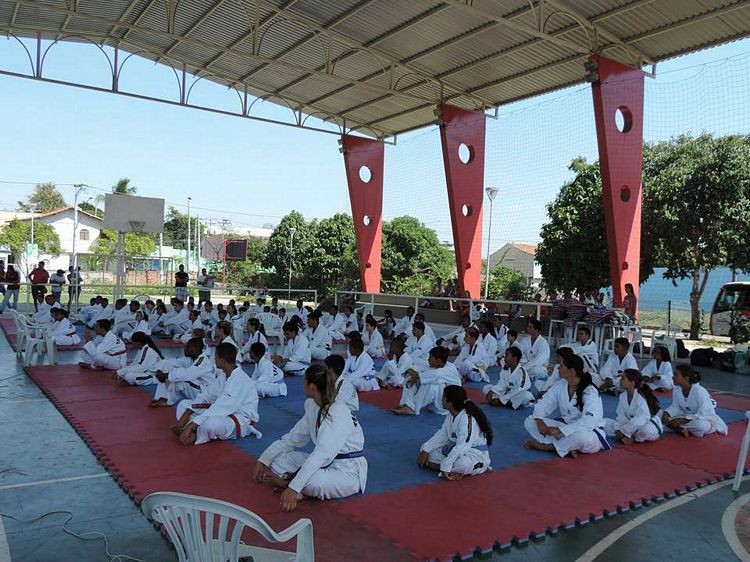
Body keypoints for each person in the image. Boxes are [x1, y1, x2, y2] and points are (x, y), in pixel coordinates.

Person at [253, 364, 367, 511]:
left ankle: (290, 484)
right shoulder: (313, 407)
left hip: (346, 471)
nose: (302, 384)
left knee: (313, 481)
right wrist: (263, 461)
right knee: (277, 459)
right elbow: (292, 439)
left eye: (304, 381)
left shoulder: (337, 412)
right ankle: (293, 482)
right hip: (323, 462)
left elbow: (322, 455)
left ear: (312, 387)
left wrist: (293, 488)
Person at [174, 342, 261, 445]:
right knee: (183, 405)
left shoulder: (239, 380)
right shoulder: (223, 376)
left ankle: (195, 434)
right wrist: (187, 412)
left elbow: (222, 407)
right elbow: (207, 395)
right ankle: (192, 429)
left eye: (216, 357)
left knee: (210, 424)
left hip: (239, 419)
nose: (214, 359)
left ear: (222, 360)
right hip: (222, 412)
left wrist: (193, 423)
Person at [523, 354, 609, 457]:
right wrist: (540, 420)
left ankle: (548, 447)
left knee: (580, 437)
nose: (558, 368)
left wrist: (560, 430)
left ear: (572, 371)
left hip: (589, 431)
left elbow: (588, 422)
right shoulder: (561, 385)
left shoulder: (590, 392)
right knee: (530, 421)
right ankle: (564, 447)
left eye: (562, 366)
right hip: (566, 426)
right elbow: (543, 403)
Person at [418, 385, 493, 480]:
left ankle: (445, 468)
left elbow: (464, 445)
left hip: (474, 454)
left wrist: (446, 465)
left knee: (461, 464)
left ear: (450, 403)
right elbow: (442, 434)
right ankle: (448, 470)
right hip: (455, 449)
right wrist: (426, 449)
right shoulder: (451, 414)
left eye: (443, 398)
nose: (441, 400)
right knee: (428, 453)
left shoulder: (467, 419)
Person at [150, 337, 220, 408]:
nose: (185, 349)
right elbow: (171, 362)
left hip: (207, 395)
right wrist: (160, 369)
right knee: (168, 367)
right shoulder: (191, 359)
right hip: (199, 390)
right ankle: (161, 397)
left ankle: (168, 401)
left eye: (188, 347)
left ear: (196, 349)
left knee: (179, 379)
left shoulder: (202, 361)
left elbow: (188, 374)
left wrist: (166, 375)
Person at [662, 364, 728, 438]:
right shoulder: (677, 389)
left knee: (700, 426)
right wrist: (667, 413)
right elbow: (676, 406)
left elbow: (705, 413)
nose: (672, 377)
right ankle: (678, 428)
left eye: (676, 375)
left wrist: (685, 420)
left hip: (703, 420)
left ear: (686, 378)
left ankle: (674, 426)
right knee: (660, 415)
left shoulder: (699, 391)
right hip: (684, 416)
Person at [392, 347, 461, 416]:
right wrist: (411, 370)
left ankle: (413, 408)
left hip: (448, 406)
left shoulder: (448, 369)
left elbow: (434, 374)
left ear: (438, 361)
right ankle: (406, 404)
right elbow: (421, 367)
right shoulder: (437, 365)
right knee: (411, 377)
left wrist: (416, 375)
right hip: (436, 404)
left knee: (432, 383)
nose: (428, 359)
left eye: (430, 358)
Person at [604, 369, 663, 444]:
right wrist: (618, 429)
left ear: (632, 382)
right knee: (604, 422)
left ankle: (633, 438)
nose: (620, 381)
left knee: (646, 431)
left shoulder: (640, 397)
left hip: (647, 424)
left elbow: (642, 418)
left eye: (623, 379)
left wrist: (624, 431)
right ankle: (628, 436)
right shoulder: (622, 396)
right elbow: (621, 415)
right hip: (631, 424)